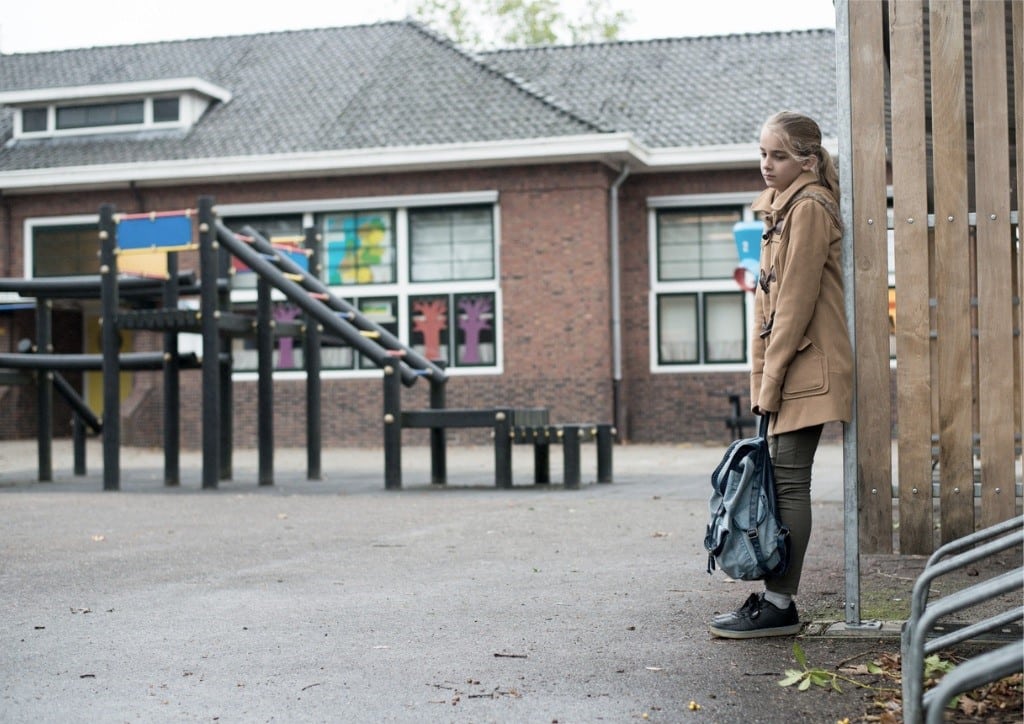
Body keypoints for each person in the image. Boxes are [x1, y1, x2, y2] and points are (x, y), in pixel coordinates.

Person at [709, 111, 853, 639]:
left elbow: (793, 304)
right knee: (780, 478)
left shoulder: (810, 208)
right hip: (793, 366)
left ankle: (779, 605)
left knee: (789, 481)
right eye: (763, 154)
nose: (767, 165)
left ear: (807, 161)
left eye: (779, 156)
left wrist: (769, 382)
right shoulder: (785, 209)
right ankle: (774, 597)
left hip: (805, 366)